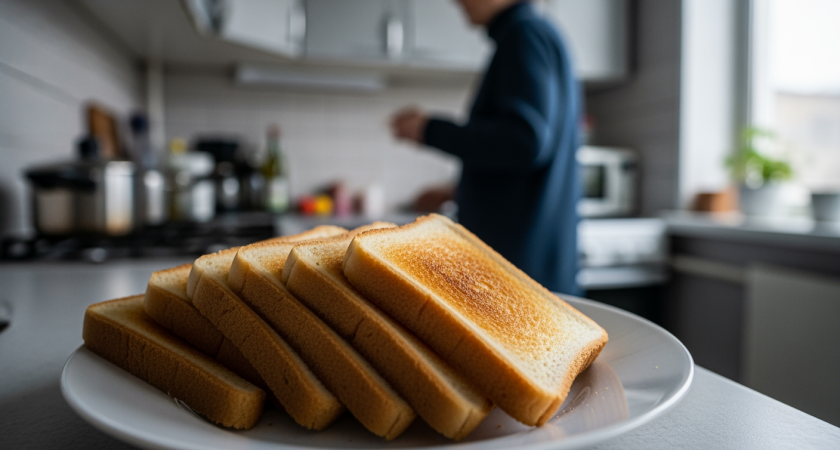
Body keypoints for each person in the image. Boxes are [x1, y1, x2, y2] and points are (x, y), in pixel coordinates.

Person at [390, 0, 582, 295]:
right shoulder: (532, 34)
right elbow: (527, 156)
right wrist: (460, 192)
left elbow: (525, 140)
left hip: (520, 272)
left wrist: (428, 129)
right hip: (532, 266)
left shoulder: (524, 34)